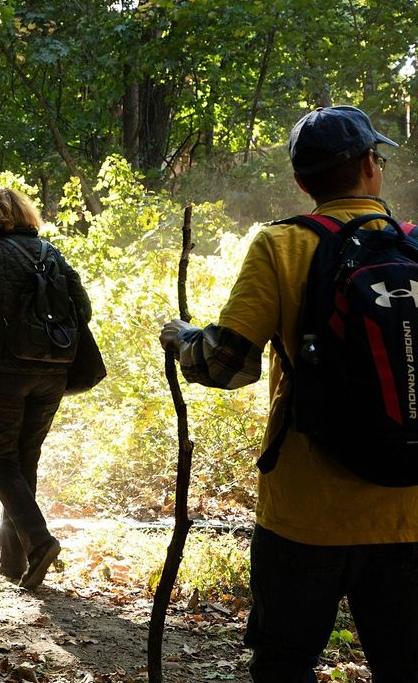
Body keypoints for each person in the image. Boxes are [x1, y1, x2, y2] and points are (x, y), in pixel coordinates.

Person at [160, 105, 418, 681]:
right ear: (372, 168)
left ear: (303, 182)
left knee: (284, 665)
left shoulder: (282, 246)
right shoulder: (415, 246)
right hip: (411, 509)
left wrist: (183, 339)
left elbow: (227, 366)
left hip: (305, 513)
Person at [0, 187, 92, 591]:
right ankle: (12, 559)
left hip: (5, 374)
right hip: (53, 371)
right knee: (24, 460)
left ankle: (39, 543)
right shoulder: (49, 251)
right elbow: (83, 308)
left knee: (1, 461)